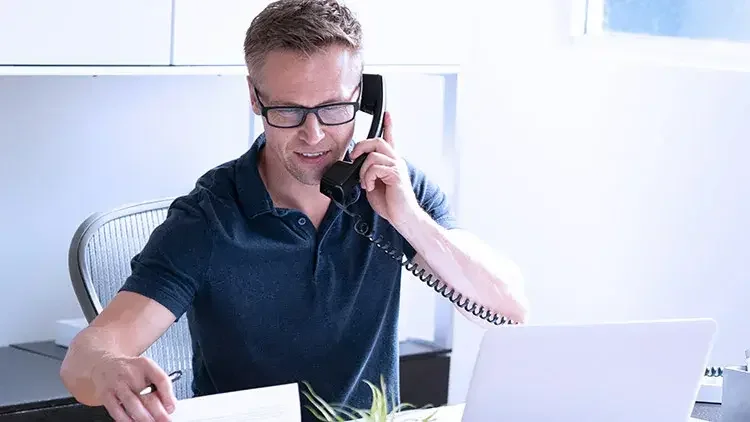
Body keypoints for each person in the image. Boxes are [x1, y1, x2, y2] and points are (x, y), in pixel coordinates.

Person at [59, 0, 529, 421]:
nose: (314, 135)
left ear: (365, 97)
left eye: (333, 108)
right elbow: (86, 356)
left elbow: (510, 310)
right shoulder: (208, 218)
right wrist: (111, 369)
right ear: (254, 97)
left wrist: (409, 220)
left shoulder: (395, 188)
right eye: (287, 111)